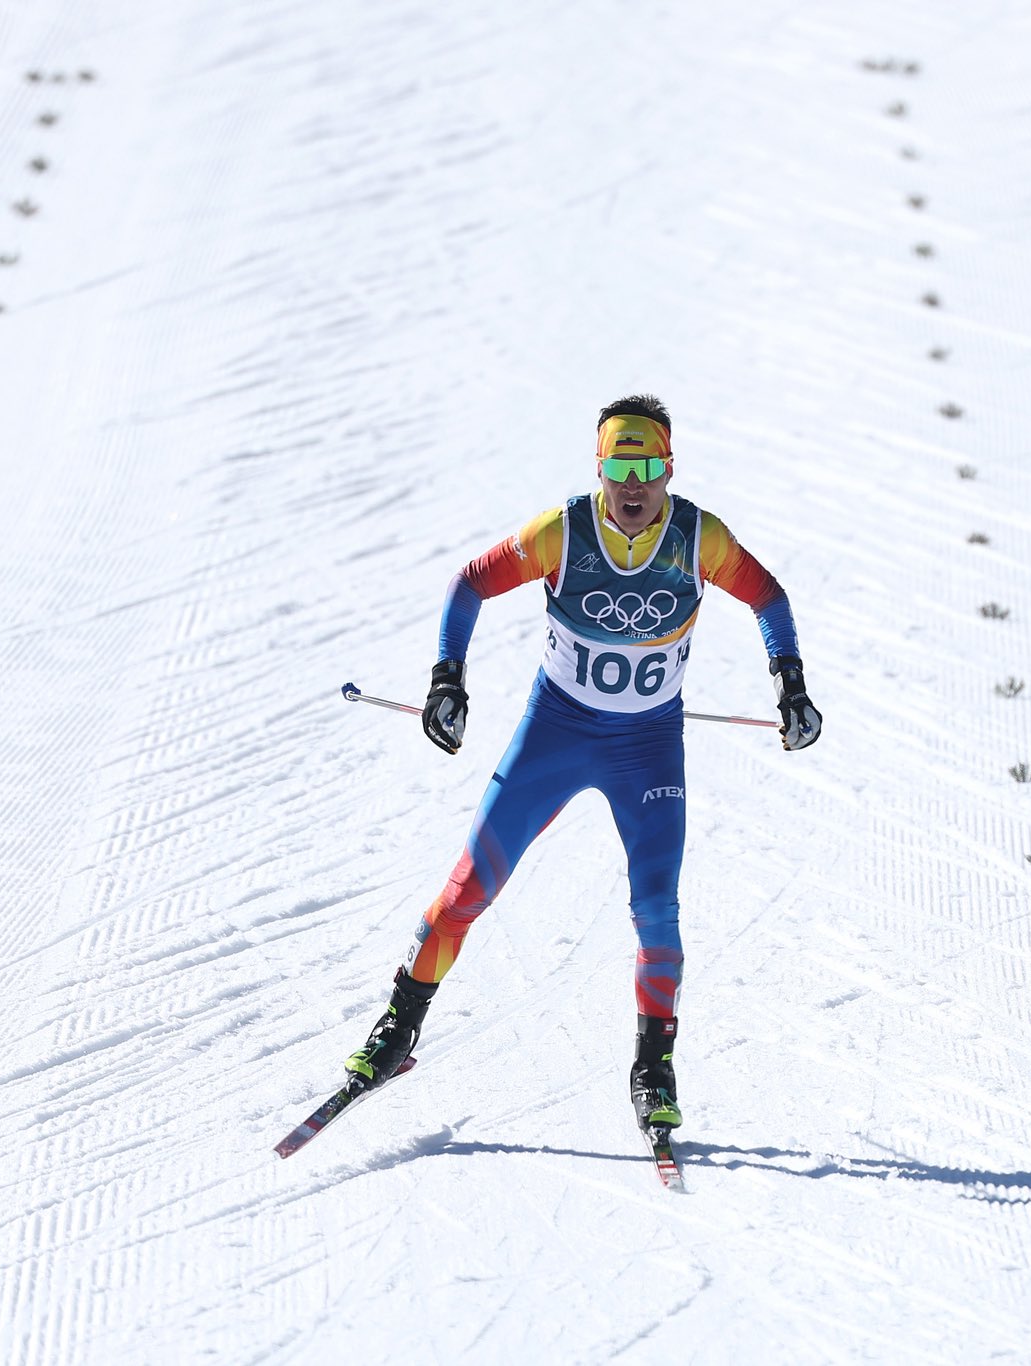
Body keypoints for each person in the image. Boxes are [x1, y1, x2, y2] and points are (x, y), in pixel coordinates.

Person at [343, 394, 822, 1134]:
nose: (635, 485)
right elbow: (469, 584)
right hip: (555, 734)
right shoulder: (562, 532)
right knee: (468, 889)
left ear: (670, 468)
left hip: (648, 747)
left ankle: (652, 1068)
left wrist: (790, 683)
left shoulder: (700, 537)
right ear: (600, 469)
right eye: (621, 466)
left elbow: (770, 599)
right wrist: (447, 680)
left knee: (657, 912)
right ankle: (399, 1027)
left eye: (650, 466)